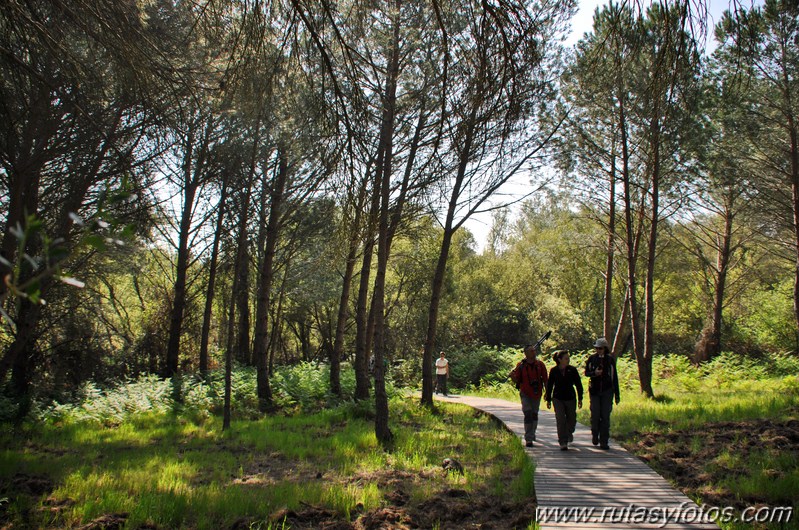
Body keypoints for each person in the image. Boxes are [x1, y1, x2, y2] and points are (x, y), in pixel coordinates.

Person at [584, 337, 620, 450]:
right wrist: (594, 373)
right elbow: (586, 373)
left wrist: (617, 394)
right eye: (596, 348)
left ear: (605, 348)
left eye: (600, 348)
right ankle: (595, 434)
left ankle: (604, 441)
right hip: (594, 391)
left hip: (607, 391)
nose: (598, 350)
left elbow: (615, 378)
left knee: (605, 416)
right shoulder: (591, 359)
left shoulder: (610, 360)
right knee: (595, 415)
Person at [509, 344, 548, 447]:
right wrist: (512, 377)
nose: (533, 353)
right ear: (525, 353)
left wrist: (548, 393)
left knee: (534, 414)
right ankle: (528, 438)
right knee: (528, 413)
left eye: (534, 351)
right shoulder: (520, 366)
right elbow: (516, 380)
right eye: (531, 351)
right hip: (525, 393)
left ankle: (532, 433)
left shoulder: (540, 365)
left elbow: (545, 380)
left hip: (537, 393)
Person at [545, 350, 583, 450]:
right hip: (558, 398)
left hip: (570, 397)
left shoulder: (572, 370)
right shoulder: (554, 371)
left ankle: (569, 432)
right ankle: (563, 441)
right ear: (559, 360)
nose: (568, 360)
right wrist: (548, 399)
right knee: (560, 419)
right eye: (566, 358)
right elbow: (550, 385)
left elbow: (578, 384)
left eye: (568, 358)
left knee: (572, 418)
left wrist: (580, 398)